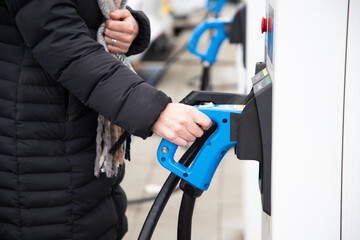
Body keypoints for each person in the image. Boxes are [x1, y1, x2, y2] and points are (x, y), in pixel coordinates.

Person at [0, 1, 212, 240]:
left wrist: (130, 26)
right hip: (36, 150)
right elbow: (62, 41)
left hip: (81, 144)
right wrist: (154, 110)